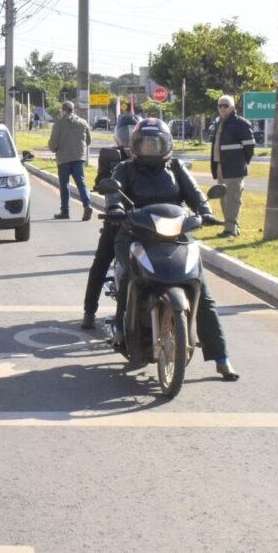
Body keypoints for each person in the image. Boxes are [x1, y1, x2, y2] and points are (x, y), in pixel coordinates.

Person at [106, 118, 239, 381]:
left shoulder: (176, 167)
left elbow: (196, 194)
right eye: (145, 143)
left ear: (166, 145)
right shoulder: (125, 168)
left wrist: (205, 210)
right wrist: (115, 208)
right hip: (135, 234)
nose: (151, 148)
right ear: (135, 145)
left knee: (202, 291)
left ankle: (222, 358)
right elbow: (113, 194)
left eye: (156, 143)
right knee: (131, 278)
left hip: (176, 235)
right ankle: (120, 329)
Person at [80, 114, 137, 330]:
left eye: (134, 132)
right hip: (117, 220)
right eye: (125, 133)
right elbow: (99, 181)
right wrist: (106, 179)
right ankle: (89, 311)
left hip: (145, 220)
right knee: (101, 262)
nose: (129, 137)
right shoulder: (112, 156)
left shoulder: (152, 157)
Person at [210, 94, 255, 238]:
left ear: (233, 107)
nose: (222, 108)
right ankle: (228, 227)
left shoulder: (240, 123)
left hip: (234, 167)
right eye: (220, 106)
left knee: (232, 198)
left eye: (226, 105)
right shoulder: (220, 123)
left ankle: (231, 229)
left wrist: (242, 162)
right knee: (223, 197)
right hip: (221, 166)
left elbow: (249, 147)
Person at [48, 101, 93, 221]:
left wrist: (54, 148)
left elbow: (53, 145)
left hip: (63, 159)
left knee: (65, 185)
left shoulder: (59, 124)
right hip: (78, 158)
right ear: (73, 110)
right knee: (81, 183)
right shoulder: (83, 122)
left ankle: (65, 211)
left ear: (63, 110)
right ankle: (87, 205)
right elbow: (88, 141)